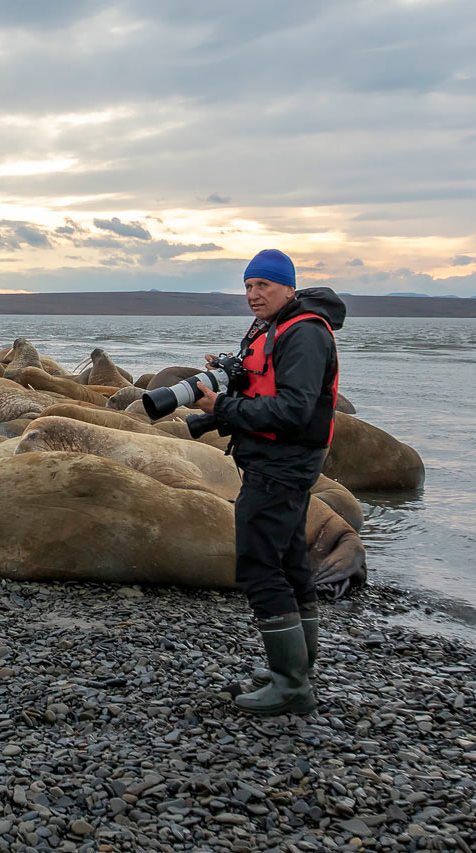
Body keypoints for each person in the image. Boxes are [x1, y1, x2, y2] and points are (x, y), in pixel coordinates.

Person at [192, 249, 345, 716]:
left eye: (263, 286)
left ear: (288, 288)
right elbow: (271, 389)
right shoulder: (275, 326)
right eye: (248, 286)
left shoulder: (304, 334)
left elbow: (295, 410)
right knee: (291, 560)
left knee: (260, 566)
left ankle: (292, 685)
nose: (253, 295)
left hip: (283, 463)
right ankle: (297, 667)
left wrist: (220, 408)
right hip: (276, 460)